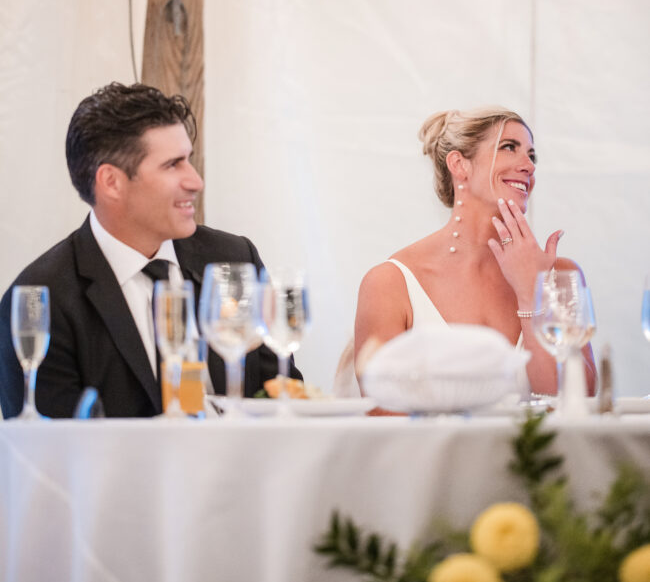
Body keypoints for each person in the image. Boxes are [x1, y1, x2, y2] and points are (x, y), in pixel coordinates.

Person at [0, 82, 301, 418]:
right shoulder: (44, 298)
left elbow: (281, 397)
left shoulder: (231, 260)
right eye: (173, 165)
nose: (195, 181)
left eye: (189, 160)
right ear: (111, 182)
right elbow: (50, 455)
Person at [354, 106, 596, 398]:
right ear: (459, 165)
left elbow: (577, 403)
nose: (529, 166)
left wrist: (532, 290)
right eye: (509, 147)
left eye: (532, 156)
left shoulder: (561, 276)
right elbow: (384, 414)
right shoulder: (389, 283)